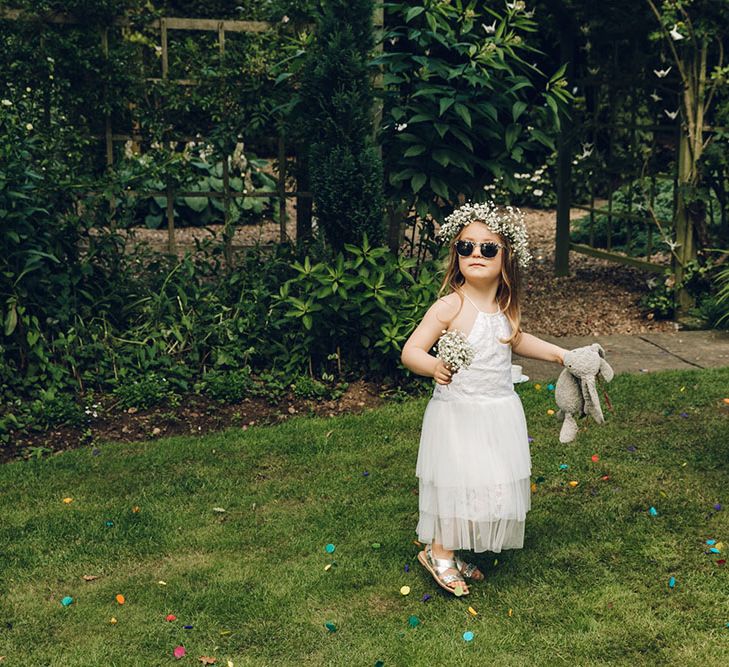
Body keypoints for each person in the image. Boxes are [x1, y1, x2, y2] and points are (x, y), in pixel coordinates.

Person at [400, 201, 570, 596]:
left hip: (497, 410)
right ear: (456, 255)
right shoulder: (451, 305)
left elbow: (516, 341)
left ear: (506, 258)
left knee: (484, 481)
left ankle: (452, 548)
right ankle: (439, 552)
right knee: (457, 482)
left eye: (488, 248)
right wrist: (434, 367)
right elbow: (411, 351)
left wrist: (561, 354)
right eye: (466, 247)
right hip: (459, 412)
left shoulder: (505, 307)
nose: (476, 254)